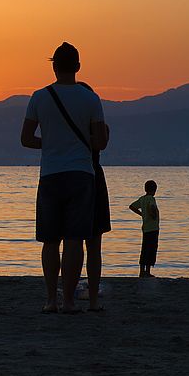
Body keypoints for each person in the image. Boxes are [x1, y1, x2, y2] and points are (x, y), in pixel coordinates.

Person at [21, 42, 107, 314]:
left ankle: (51, 300)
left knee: (50, 241)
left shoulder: (39, 97)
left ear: (54, 67)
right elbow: (100, 142)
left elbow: (25, 139)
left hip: (50, 175)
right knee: (74, 240)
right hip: (82, 175)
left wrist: (51, 143)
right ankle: (69, 301)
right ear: (78, 68)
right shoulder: (91, 99)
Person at [78, 82, 111, 312]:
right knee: (94, 245)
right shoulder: (100, 128)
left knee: (72, 242)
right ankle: (93, 300)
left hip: (75, 176)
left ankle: (70, 293)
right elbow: (103, 141)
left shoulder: (70, 129)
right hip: (94, 178)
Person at [129, 180, 160, 277]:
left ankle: (142, 271)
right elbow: (152, 207)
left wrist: (142, 214)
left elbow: (132, 206)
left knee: (145, 249)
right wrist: (153, 215)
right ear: (154, 190)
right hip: (153, 228)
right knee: (151, 249)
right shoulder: (151, 198)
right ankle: (147, 271)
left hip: (146, 228)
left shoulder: (142, 199)